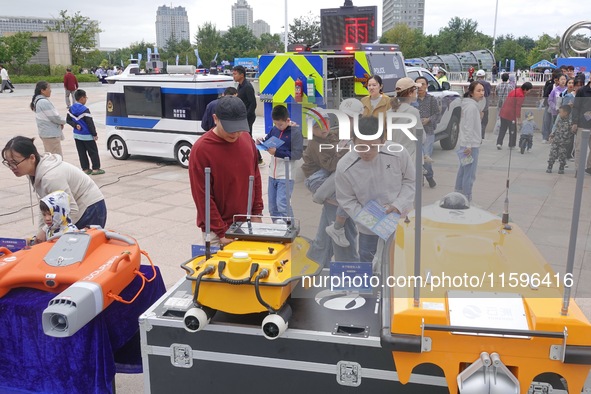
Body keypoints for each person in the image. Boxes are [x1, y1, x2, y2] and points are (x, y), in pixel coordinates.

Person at [336, 116, 415, 264]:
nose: (367, 152)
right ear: (353, 140)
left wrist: (398, 204)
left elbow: (411, 181)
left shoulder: (398, 153)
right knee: (368, 261)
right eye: (361, 146)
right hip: (368, 227)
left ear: (383, 141)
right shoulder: (345, 166)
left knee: (401, 260)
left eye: (373, 146)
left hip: (399, 218)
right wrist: (365, 217)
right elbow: (346, 199)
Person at [188, 96, 264, 246]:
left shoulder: (247, 140)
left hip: (247, 223)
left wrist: (257, 213)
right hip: (218, 232)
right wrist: (222, 231)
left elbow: (255, 176)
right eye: (230, 128)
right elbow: (202, 196)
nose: (235, 134)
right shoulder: (201, 150)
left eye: (239, 129)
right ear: (215, 119)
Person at [2, 136, 107, 232]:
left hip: (90, 209)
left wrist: (45, 231)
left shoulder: (51, 177)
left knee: (77, 248)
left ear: (32, 158)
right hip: (78, 209)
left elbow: (71, 210)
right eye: (8, 163)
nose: (12, 167)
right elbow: (45, 206)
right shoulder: (34, 171)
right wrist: (41, 232)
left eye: (15, 162)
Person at [301, 108, 353, 249]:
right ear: (311, 129)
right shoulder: (315, 144)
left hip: (326, 175)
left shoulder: (331, 135)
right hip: (317, 178)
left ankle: (319, 250)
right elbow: (330, 165)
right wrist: (343, 152)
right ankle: (337, 227)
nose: (323, 129)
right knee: (349, 198)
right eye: (317, 127)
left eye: (326, 124)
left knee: (344, 200)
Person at [257, 105, 303, 222]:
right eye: (276, 124)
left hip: (286, 175)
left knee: (282, 204)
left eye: (280, 124)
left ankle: (291, 228)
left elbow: (297, 154)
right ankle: (278, 230)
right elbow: (268, 140)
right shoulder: (274, 130)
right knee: (273, 207)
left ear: (287, 120)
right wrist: (262, 142)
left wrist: (277, 152)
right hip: (272, 174)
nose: (278, 127)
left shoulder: (296, 132)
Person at [455, 81, 485, 202]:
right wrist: (468, 145)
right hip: (470, 146)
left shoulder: (468, 105)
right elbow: (468, 127)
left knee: (463, 171)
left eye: (482, 90)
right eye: (478, 90)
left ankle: (458, 195)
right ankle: (466, 198)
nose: (482, 93)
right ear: (471, 93)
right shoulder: (471, 107)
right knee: (469, 174)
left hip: (466, 144)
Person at [66, 89, 104, 175]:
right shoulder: (85, 109)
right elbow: (90, 123)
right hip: (87, 135)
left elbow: (68, 120)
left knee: (81, 153)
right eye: (86, 97)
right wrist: (94, 134)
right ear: (82, 98)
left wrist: (75, 125)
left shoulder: (71, 109)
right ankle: (96, 169)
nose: (86, 99)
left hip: (77, 135)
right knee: (93, 152)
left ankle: (85, 169)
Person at [233, 65, 263, 166]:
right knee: (245, 138)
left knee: (247, 138)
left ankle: (258, 158)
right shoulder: (240, 86)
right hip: (242, 117)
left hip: (247, 118)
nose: (234, 76)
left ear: (242, 75)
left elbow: (253, 103)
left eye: (235, 74)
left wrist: (246, 116)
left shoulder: (247, 87)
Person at [390, 77, 424, 162]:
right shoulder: (412, 112)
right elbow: (421, 138)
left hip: (392, 156)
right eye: (415, 88)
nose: (417, 91)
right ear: (410, 93)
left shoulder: (389, 111)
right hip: (410, 157)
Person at [415, 76, 440, 188]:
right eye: (418, 85)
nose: (420, 87)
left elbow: (437, 114)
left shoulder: (431, 99)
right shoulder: (412, 100)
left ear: (426, 86)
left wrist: (429, 119)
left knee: (426, 156)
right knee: (417, 157)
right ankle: (420, 179)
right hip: (414, 132)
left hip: (428, 131)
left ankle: (429, 176)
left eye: (422, 84)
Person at [30, 81, 66, 156]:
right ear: (42, 90)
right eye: (49, 88)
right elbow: (55, 117)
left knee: (50, 156)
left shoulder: (38, 101)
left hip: (47, 133)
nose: (50, 90)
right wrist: (65, 121)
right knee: (55, 158)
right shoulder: (43, 102)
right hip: (50, 134)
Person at [496, 82, 533, 149]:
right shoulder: (521, 95)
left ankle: (499, 143)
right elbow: (518, 107)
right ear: (525, 89)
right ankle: (511, 144)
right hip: (511, 114)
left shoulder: (515, 90)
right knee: (512, 130)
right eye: (529, 90)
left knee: (502, 128)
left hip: (503, 111)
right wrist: (519, 119)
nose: (530, 91)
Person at [571, 78, 591, 175]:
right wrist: (575, 122)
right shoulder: (582, 91)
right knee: (579, 147)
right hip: (583, 123)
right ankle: (578, 169)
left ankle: (589, 166)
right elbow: (576, 107)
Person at [546, 105, 572, 174]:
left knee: (562, 155)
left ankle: (561, 167)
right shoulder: (559, 121)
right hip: (556, 141)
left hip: (564, 143)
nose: (559, 114)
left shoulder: (570, 123)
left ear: (566, 113)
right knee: (552, 153)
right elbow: (555, 128)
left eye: (560, 112)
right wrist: (552, 135)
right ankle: (550, 166)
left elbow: (571, 133)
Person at [541, 71, 561, 143]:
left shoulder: (562, 88)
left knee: (554, 122)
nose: (556, 81)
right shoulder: (550, 86)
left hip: (557, 107)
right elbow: (545, 95)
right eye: (555, 79)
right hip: (549, 105)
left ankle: (552, 136)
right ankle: (545, 137)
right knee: (546, 120)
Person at [475, 69, 491, 139]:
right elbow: (488, 93)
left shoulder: (474, 83)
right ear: (484, 76)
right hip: (484, 104)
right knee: (484, 120)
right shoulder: (487, 84)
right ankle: (481, 133)